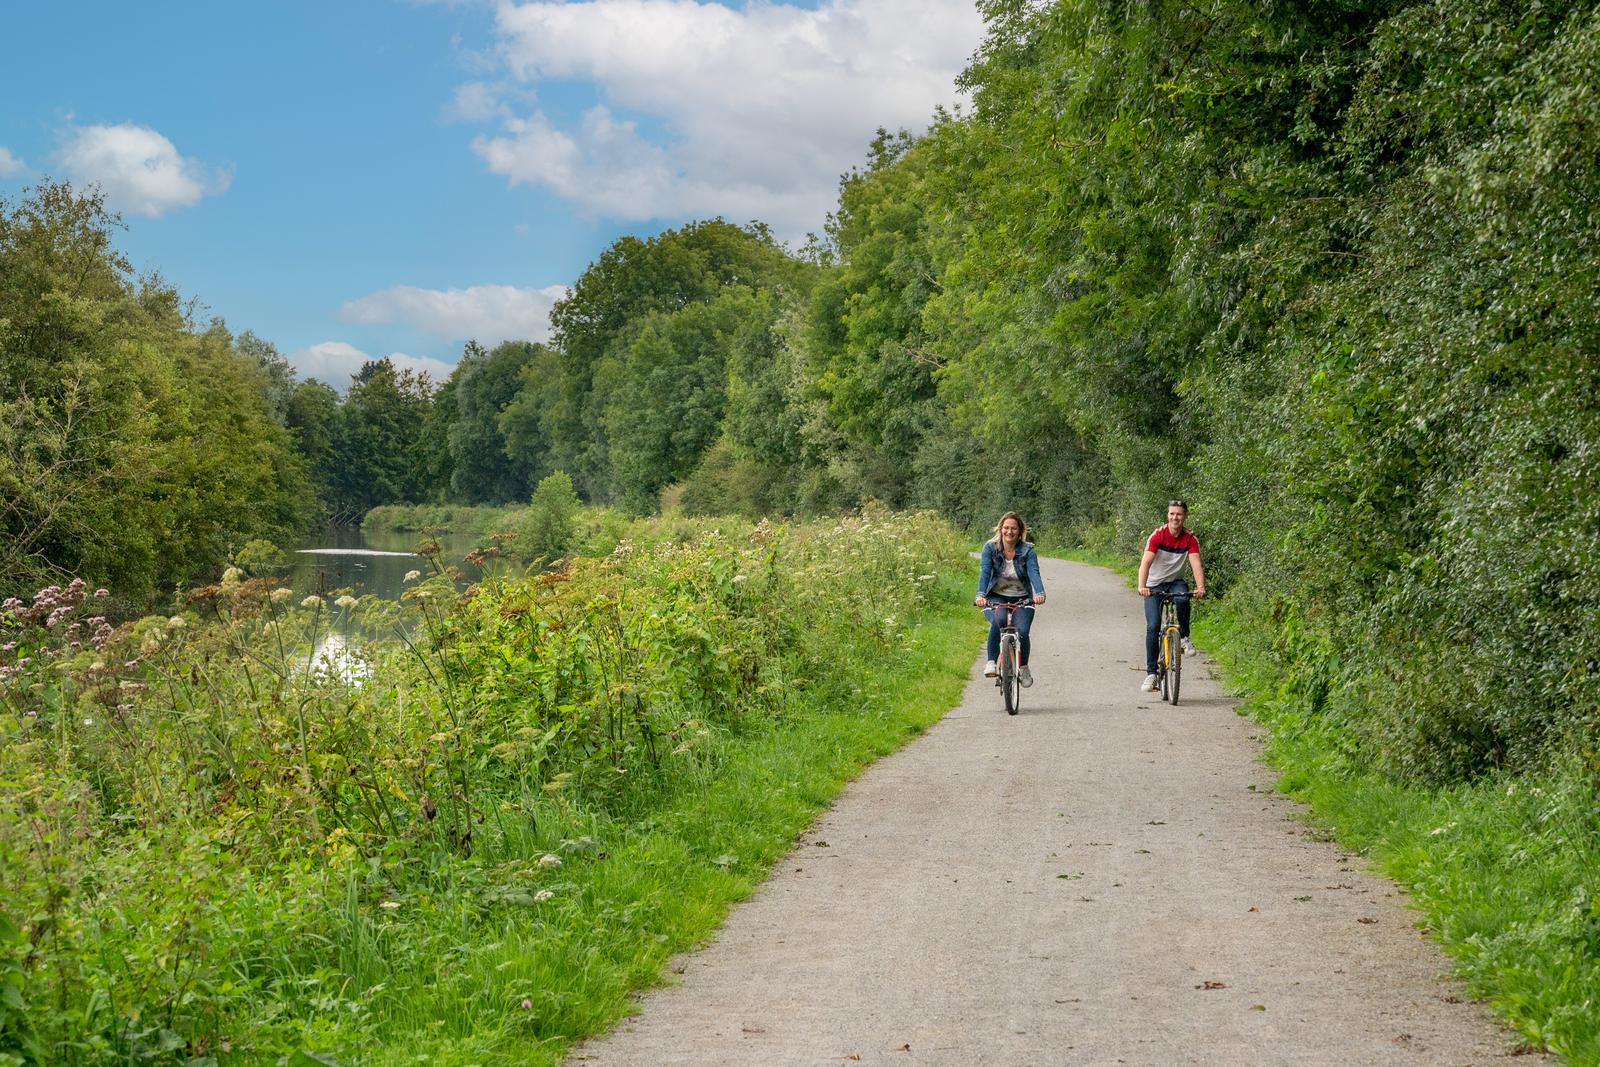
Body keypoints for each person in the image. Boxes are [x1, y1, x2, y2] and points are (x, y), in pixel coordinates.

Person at [1137, 499, 1206, 692]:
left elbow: (1196, 564)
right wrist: (1142, 586)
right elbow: (1145, 563)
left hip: (1175, 582)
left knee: (1183, 597)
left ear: (1185, 516)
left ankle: (1183, 637)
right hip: (1154, 584)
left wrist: (1200, 587)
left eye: (1179, 514)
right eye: (1172, 514)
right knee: (1152, 627)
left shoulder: (1190, 539)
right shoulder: (1158, 535)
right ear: (1167, 515)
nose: (1175, 517)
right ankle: (1151, 673)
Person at [975, 512, 1046, 686]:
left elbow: (1033, 572)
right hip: (996, 596)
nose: (1009, 532)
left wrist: (1039, 593)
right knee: (998, 621)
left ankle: (1023, 667)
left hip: (1022, 598)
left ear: (1020, 531)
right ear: (1000, 529)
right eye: (1006, 528)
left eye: (1014, 528)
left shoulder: (1027, 551)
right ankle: (991, 662)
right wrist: (980, 595)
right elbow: (985, 572)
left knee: (1022, 631)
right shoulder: (990, 548)